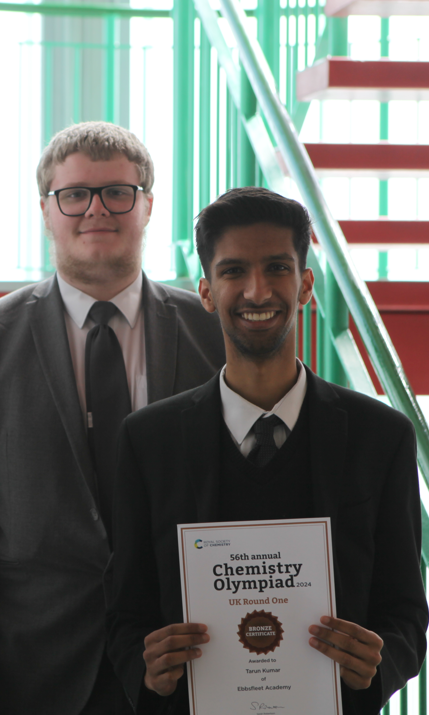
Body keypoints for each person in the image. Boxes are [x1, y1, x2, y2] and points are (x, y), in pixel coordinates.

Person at [0, 121, 227, 715]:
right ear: (46, 210)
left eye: (118, 192)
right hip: (27, 658)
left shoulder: (210, 331)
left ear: (148, 205)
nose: (96, 209)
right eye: (74, 194)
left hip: (185, 654)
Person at [106, 186, 428, 715]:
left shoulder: (382, 436)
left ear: (304, 286)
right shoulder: (148, 441)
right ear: (207, 292)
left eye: (277, 268)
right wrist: (148, 667)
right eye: (233, 271)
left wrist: (381, 660)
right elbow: (124, 613)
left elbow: (406, 617)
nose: (257, 291)